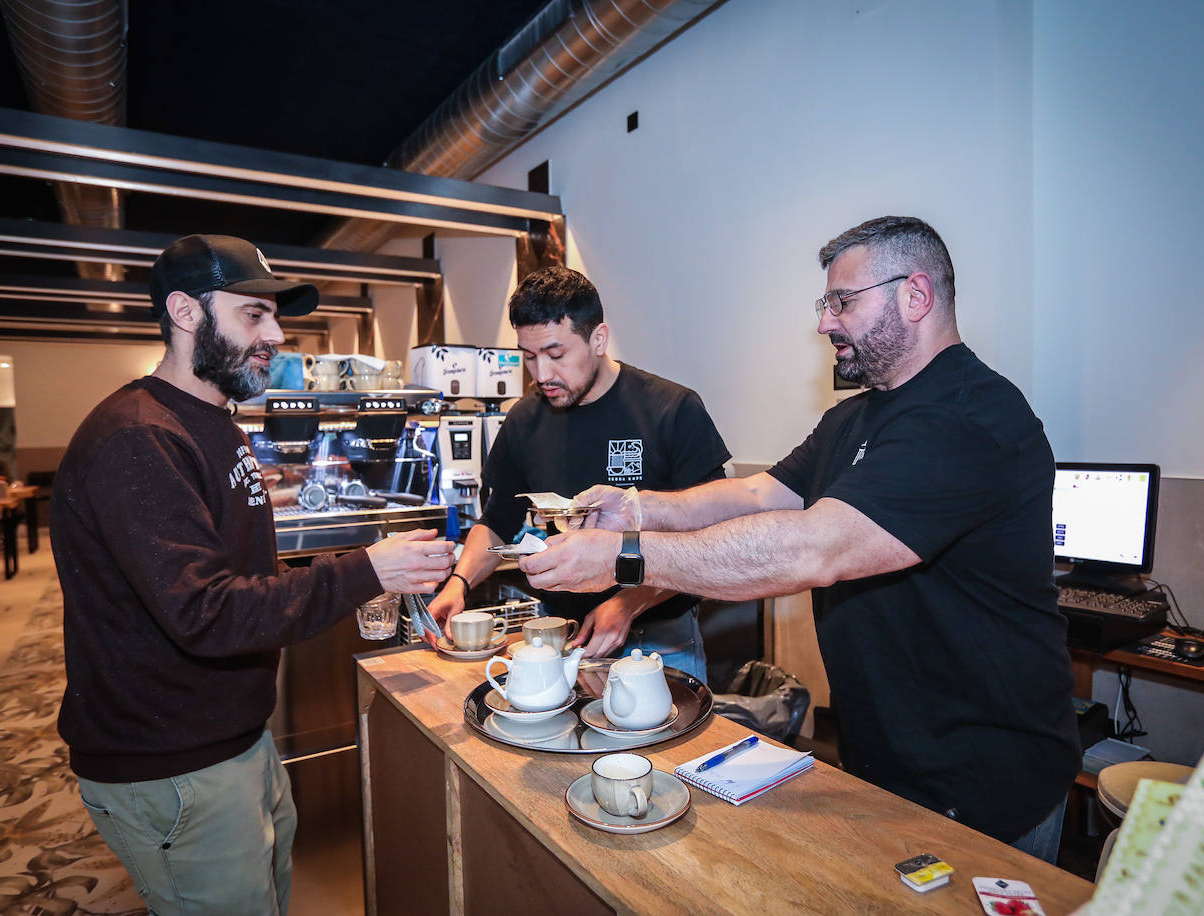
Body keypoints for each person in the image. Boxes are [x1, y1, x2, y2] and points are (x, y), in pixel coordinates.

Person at [520, 216, 1081, 861]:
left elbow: (818, 547)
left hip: (983, 777)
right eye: (826, 303)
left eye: (843, 301)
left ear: (915, 295)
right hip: (888, 756)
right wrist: (637, 507)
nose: (825, 323)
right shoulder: (855, 415)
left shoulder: (967, 417)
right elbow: (759, 494)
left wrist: (626, 558)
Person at [52, 234, 455, 915]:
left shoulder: (215, 423)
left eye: (274, 315)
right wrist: (366, 570)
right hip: (174, 765)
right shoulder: (137, 437)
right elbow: (205, 612)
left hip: (233, 740)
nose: (275, 334)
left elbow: (235, 565)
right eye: (253, 315)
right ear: (185, 312)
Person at [425, 266, 730, 683]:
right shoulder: (524, 420)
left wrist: (629, 602)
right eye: (528, 357)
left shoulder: (671, 409)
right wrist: (459, 582)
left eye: (556, 354)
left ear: (598, 338)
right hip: (557, 636)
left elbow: (710, 538)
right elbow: (497, 521)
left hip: (658, 639)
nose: (542, 375)